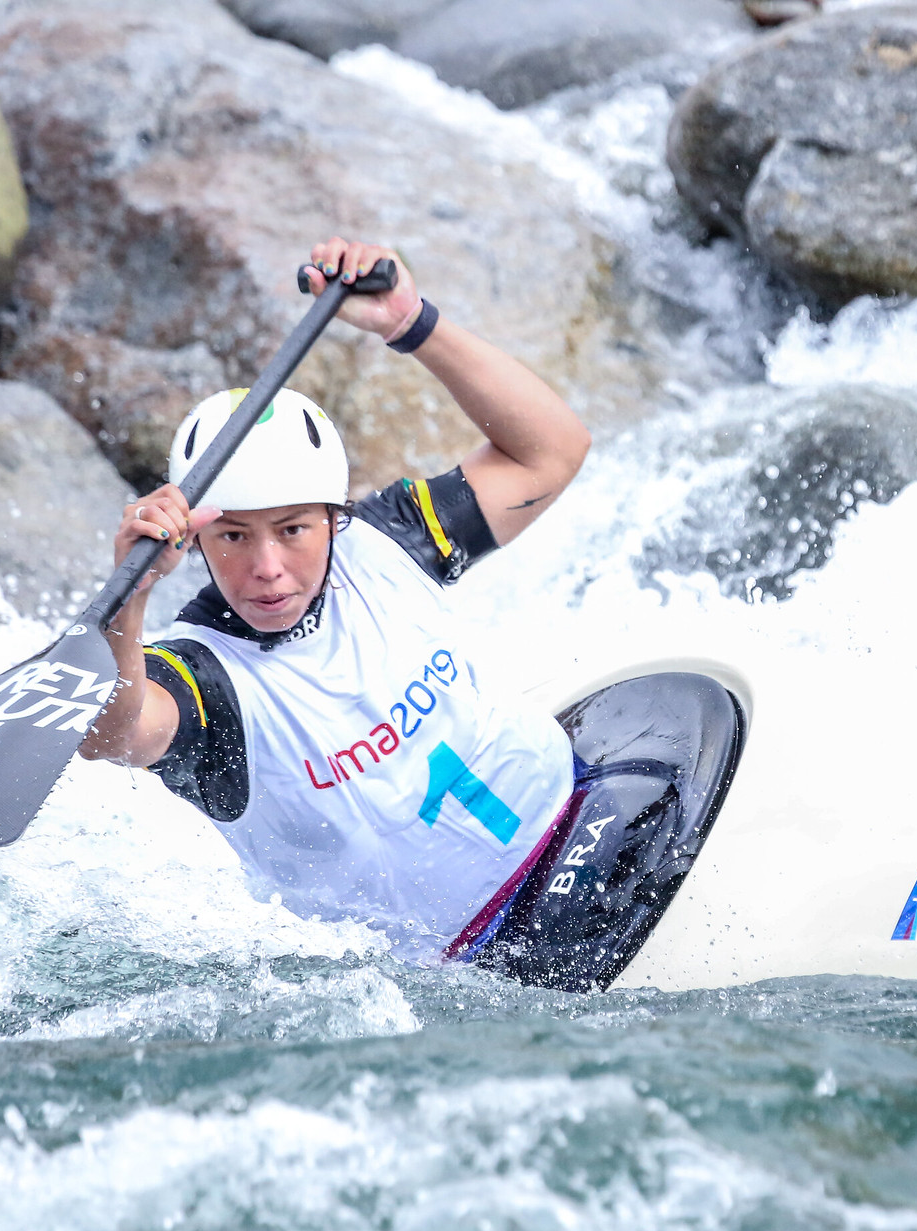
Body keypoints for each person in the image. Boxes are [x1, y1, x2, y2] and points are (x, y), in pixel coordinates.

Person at [79, 237, 592, 965]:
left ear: (332, 516)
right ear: (193, 540)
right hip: (467, 965)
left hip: (585, 819)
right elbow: (112, 735)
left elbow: (553, 450)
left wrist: (412, 322)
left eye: (292, 530)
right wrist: (127, 602)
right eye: (231, 537)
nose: (266, 568)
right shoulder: (202, 679)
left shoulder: (388, 538)